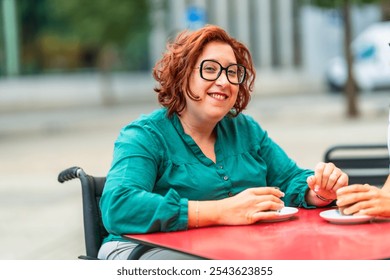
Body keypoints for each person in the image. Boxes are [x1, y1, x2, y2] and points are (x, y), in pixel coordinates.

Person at [98, 25, 348, 260]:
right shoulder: (145, 135)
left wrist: (317, 191)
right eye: (209, 69)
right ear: (181, 75)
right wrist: (222, 211)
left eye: (232, 71)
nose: (224, 81)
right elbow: (119, 205)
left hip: (230, 249)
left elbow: (289, 178)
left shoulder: (245, 130)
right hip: (144, 249)